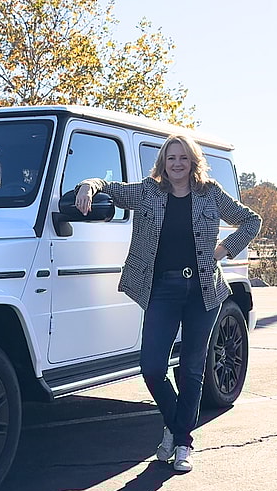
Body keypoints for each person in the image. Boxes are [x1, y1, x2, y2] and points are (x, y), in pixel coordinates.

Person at [75, 135, 261, 472]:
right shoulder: (149, 191)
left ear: (193, 162)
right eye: (171, 158)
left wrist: (223, 250)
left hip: (204, 291)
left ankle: (183, 443)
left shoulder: (210, 193)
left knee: (191, 369)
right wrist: (88, 185)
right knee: (152, 367)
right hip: (162, 289)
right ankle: (176, 427)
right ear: (163, 162)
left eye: (183, 158)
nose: (177, 164)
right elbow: (109, 187)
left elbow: (252, 221)